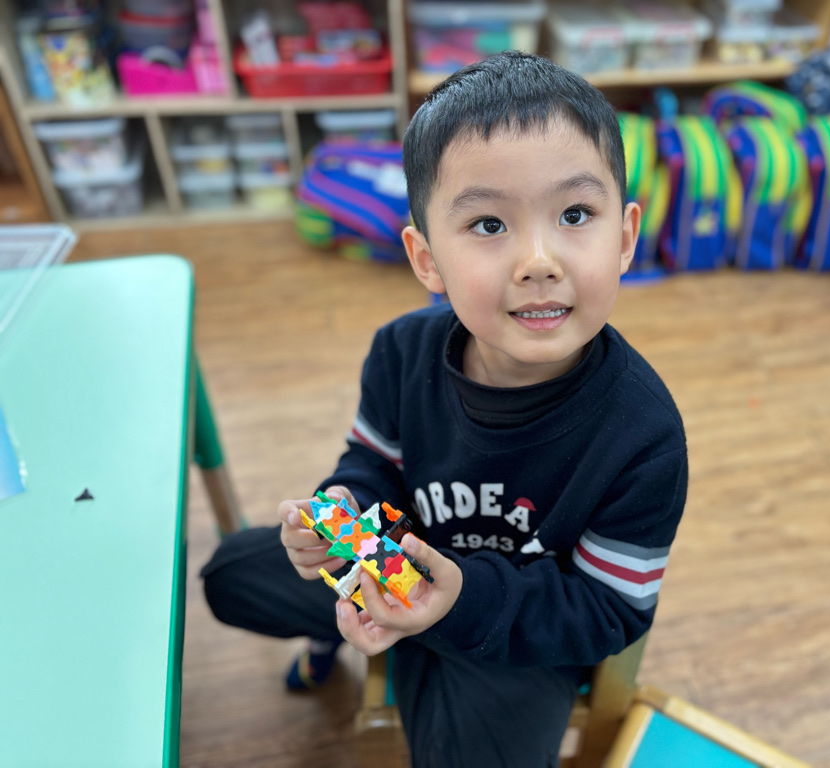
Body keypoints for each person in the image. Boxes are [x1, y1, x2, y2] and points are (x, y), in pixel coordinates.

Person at [201, 50, 688, 768]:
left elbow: (607, 611)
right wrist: (342, 514)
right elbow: (372, 463)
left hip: (517, 634)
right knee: (230, 576)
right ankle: (380, 633)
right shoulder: (401, 351)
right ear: (426, 259)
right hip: (393, 565)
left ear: (623, 238)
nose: (538, 260)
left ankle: (404, 647)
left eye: (574, 214)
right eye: (488, 225)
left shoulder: (644, 435)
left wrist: (454, 604)